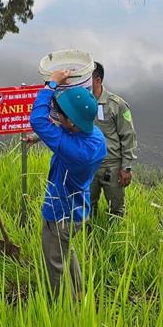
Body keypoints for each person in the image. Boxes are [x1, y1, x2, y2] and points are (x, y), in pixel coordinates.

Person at [29, 70, 107, 299]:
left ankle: (66, 310)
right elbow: (64, 134)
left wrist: (51, 84)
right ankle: (80, 293)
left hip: (60, 214)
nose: (58, 117)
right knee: (66, 250)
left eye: (61, 116)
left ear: (72, 123)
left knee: (55, 264)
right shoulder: (96, 138)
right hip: (78, 210)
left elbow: (37, 120)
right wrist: (41, 137)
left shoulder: (74, 151)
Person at [90, 62, 137, 217]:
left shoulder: (117, 105)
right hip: (89, 164)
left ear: (97, 80)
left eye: (86, 79)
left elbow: (128, 136)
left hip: (112, 166)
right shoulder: (80, 103)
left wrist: (126, 168)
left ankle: (115, 237)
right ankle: (89, 238)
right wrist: (37, 136)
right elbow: (64, 124)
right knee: (87, 207)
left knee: (116, 209)